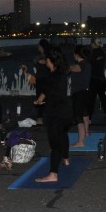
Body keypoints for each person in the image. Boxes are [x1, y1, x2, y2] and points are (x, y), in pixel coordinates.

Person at [34, 46, 73, 183]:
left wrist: (40, 99)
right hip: (66, 111)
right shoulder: (61, 72)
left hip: (55, 113)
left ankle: (53, 174)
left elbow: (46, 88)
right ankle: (66, 159)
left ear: (50, 60)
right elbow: (47, 90)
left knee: (55, 144)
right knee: (62, 135)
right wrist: (40, 100)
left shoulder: (53, 75)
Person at [69, 45, 91, 148]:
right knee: (84, 112)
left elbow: (77, 68)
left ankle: (81, 141)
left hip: (79, 93)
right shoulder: (88, 63)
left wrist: (67, 67)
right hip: (86, 92)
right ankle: (86, 132)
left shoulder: (82, 64)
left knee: (78, 116)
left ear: (76, 55)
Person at [88, 37, 106, 116]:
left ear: (93, 44)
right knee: (102, 97)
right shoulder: (102, 52)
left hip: (94, 79)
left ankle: (89, 117)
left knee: (92, 99)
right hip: (102, 79)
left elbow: (90, 62)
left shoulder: (92, 53)